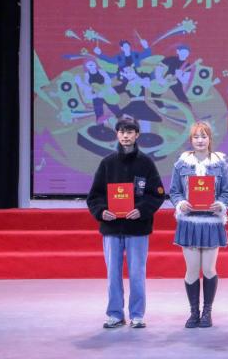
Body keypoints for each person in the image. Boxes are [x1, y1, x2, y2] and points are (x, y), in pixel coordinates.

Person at [85, 116, 166, 328]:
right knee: (113, 274)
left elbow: (157, 194)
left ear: (137, 135)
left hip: (137, 229)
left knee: (137, 273)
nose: (125, 136)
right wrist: (102, 212)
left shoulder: (146, 163)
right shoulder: (107, 163)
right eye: (122, 132)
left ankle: (137, 315)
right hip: (112, 228)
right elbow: (94, 196)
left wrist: (141, 210)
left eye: (130, 132)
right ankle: (115, 314)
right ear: (117, 134)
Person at [168, 121, 228, 328]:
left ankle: (207, 312)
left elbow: (227, 192)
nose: (200, 140)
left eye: (204, 136)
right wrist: (180, 203)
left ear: (210, 139)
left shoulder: (221, 164)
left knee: (209, 269)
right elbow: (175, 191)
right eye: (196, 137)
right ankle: (194, 313)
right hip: (189, 223)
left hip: (211, 222)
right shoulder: (181, 165)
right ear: (191, 140)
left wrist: (220, 205)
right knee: (192, 269)